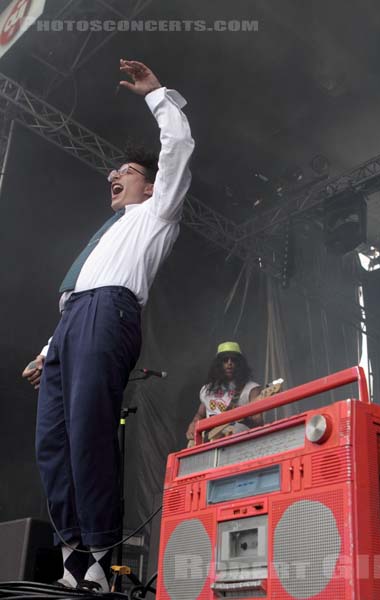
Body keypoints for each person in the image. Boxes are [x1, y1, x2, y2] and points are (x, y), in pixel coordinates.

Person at [22, 59, 194, 591]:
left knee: (91, 435)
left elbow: (178, 149)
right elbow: (80, 289)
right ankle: (74, 559)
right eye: (112, 172)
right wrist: (50, 349)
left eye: (126, 171)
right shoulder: (107, 232)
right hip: (75, 320)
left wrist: (156, 95)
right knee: (53, 442)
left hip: (109, 313)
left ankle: (99, 560)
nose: (113, 176)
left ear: (152, 186)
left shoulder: (157, 214)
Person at [186, 341, 262, 443]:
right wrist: (193, 424)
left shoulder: (251, 389)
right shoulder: (207, 389)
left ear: (240, 364)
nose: (229, 363)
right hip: (208, 441)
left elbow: (259, 422)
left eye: (233, 360)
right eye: (225, 360)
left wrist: (244, 416)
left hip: (237, 441)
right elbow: (200, 414)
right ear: (218, 364)